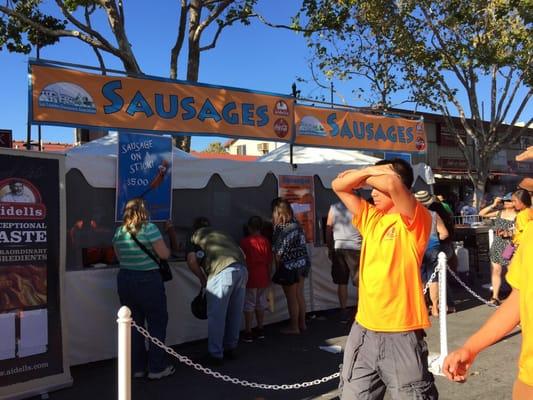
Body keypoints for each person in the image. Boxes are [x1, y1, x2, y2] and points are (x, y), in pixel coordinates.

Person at [332, 159, 437, 399]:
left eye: (377, 187)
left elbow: (390, 181)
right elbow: (338, 185)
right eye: (371, 187)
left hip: (401, 332)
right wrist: (370, 171)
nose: (372, 192)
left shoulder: (415, 218)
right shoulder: (371, 217)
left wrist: (374, 174)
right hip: (364, 330)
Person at [442, 145, 533, 399]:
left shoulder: (525, 219)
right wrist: (471, 347)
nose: (516, 197)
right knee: (498, 269)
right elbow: (520, 298)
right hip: (529, 376)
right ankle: (494, 292)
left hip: (509, 244)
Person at [112, 198, 174, 380]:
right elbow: (164, 254)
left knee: (133, 325)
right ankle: (156, 368)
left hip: (125, 279)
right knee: (157, 323)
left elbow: (119, 256)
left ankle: (137, 368)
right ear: (143, 211)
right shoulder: (150, 229)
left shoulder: (119, 231)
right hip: (148, 280)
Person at [185, 217, 248, 365]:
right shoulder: (222, 234)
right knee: (234, 313)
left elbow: (192, 260)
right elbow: (243, 254)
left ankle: (215, 354)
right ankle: (230, 348)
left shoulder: (194, 237)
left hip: (222, 272)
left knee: (216, 316)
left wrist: (202, 278)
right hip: (242, 270)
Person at [271, 197, 311, 335]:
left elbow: (278, 253)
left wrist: (277, 270)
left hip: (289, 267)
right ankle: (302, 324)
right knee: (299, 295)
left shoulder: (280, 229)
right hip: (302, 263)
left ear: (278, 212)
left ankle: (294, 327)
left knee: (291, 297)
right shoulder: (296, 223)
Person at [414, 191, 449, 317]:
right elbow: (444, 233)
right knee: (434, 279)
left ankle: (423, 306)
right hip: (433, 248)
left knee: (420, 278)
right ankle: (435, 307)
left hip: (417, 249)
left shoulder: (410, 215)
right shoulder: (434, 215)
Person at [325, 201, 362, 322]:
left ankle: (343, 311)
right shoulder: (359, 204)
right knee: (360, 283)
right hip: (356, 246)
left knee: (342, 282)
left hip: (339, 246)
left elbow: (328, 228)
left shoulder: (334, 207)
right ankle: (362, 311)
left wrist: (330, 247)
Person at [479, 193, 517, 305]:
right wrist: (494, 204)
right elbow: (481, 213)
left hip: (511, 245)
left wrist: (510, 233)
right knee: (496, 270)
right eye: (504, 201)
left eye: (509, 200)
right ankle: (495, 296)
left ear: (515, 202)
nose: (506, 202)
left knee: (512, 272)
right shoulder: (499, 213)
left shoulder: (519, 215)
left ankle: (514, 296)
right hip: (497, 244)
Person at [239, 216, 272, 342]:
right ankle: (260, 328)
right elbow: (269, 261)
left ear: (249, 227)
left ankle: (248, 331)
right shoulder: (266, 241)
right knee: (261, 303)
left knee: (249, 304)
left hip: (250, 275)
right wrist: (269, 276)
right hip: (263, 275)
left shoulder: (244, 242)